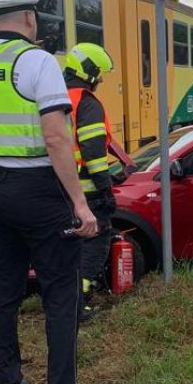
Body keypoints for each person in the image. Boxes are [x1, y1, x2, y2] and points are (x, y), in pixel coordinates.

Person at [0, 0, 98, 384]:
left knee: (4, 293)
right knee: (60, 295)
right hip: (37, 191)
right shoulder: (38, 61)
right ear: (27, 18)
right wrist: (80, 203)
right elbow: (57, 138)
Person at [63, 42, 129, 321]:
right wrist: (106, 190)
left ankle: (66, 301)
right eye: (98, 74)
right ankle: (79, 304)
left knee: (68, 247)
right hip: (86, 190)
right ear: (88, 71)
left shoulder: (56, 96)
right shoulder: (86, 102)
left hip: (58, 187)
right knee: (95, 243)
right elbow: (93, 153)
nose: (100, 80)